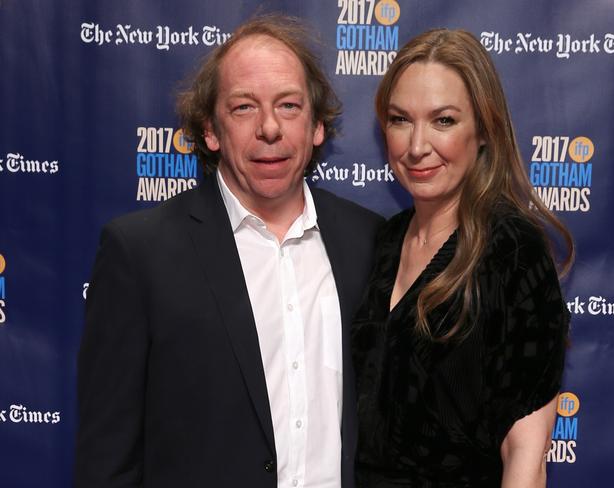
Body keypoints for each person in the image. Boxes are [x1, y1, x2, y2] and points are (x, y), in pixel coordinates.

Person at [76, 15, 383, 488]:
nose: (269, 128)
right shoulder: (140, 253)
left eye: (289, 105)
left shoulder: (370, 241)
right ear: (211, 130)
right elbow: (107, 460)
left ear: (317, 125)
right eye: (243, 108)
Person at [352, 28, 574, 487]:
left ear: (484, 130)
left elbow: (525, 457)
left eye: (444, 121)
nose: (416, 146)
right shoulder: (386, 240)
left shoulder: (512, 251)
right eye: (399, 119)